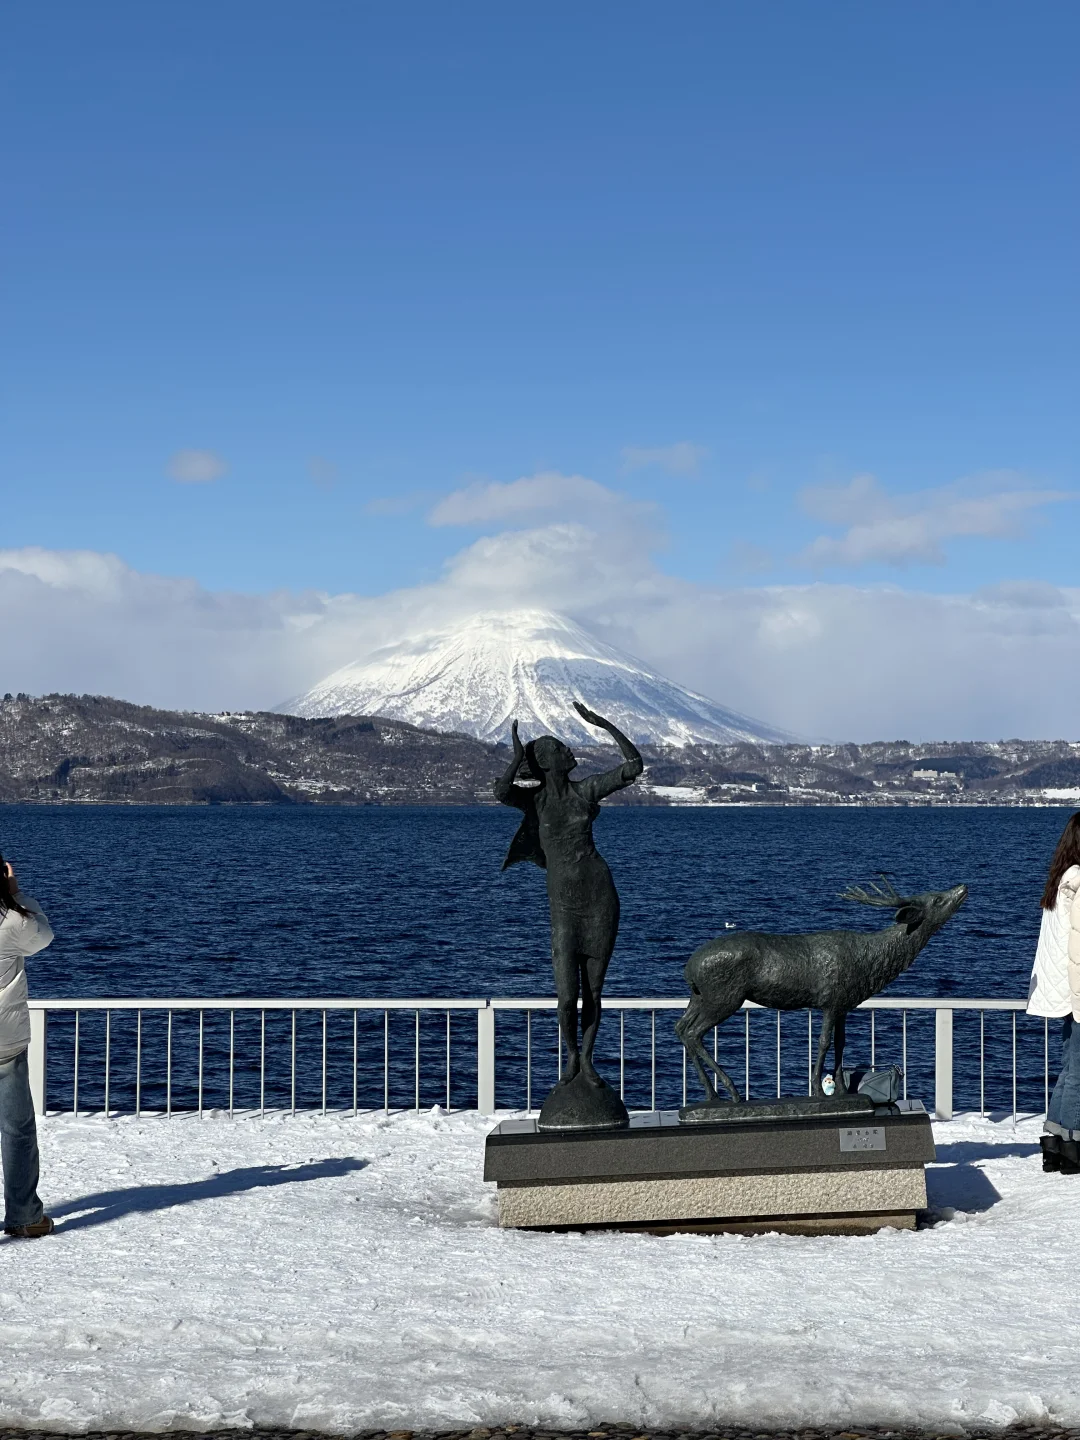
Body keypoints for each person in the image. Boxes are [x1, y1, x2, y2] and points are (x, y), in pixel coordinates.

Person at [493, 701, 643, 1086]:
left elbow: (633, 767)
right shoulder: (536, 800)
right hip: (564, 906)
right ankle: (571, 1055)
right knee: (565, 997)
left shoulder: (585, 791)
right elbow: (500, 791)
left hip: (599, 897)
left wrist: (604, 722)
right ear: (546, 762)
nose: (570, 751)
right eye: (561, 749)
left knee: (594, 991)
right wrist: (516, 755)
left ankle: (588, 1060)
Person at [0, 851, 55, 1236]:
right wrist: (16, 894)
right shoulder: (11, 921)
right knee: (17, 1130)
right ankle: (24, 1217)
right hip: (5, 1044)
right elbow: (44, 936)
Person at [1027, 813, 1080, 1174]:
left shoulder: (1062, 879)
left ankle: (1053, 1144)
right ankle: (1073, 1146)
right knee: (1078, 1070)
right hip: (1077, 991)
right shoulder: (1078, 882)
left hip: (1063, 988)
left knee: (1069, 1067)